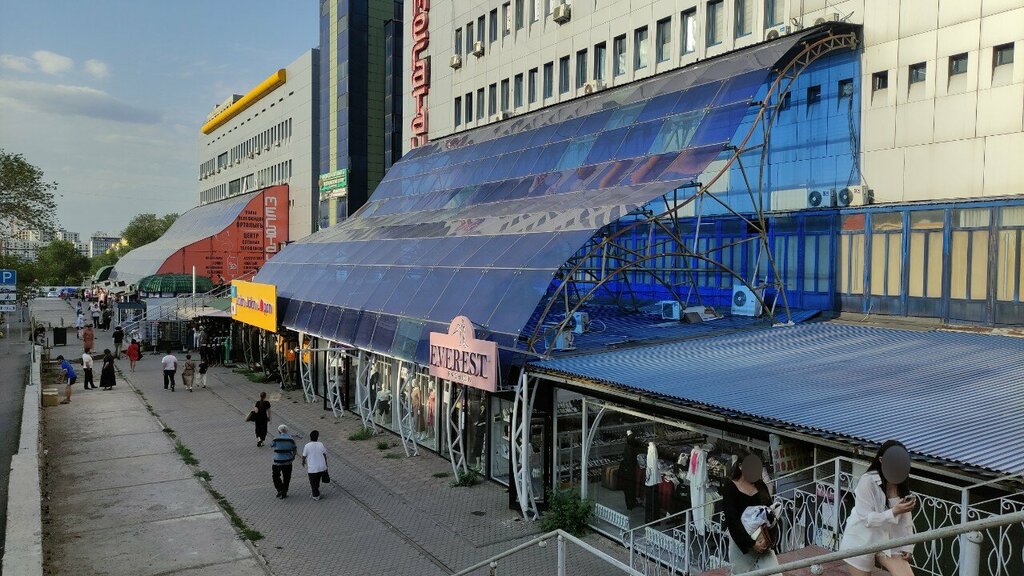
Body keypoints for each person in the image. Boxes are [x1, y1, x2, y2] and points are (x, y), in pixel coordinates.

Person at [840, 440, 917, 576]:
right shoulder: (867, 481)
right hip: (861, 538)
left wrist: (907, 545)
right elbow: (866, 519)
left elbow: (906, 517)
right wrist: (894, 512)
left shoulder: (902, 481)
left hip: (888, 539)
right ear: (881, 460)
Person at [723, 453, 779, 574]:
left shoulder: (761, 485)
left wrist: (768, 540)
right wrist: (751, 544)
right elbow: (732, 521)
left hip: (763, 539)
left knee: (775, 573)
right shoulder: (730, 487)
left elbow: (769, 511)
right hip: (742, 544)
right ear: (740, 466)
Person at [271, 424, 297, 499]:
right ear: (287, 431)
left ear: (279, 431)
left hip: (277, 461)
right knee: (287, 477)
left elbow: (272, 445)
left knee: (275, 476)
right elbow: (294, 449)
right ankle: (284, 490)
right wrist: (293, 457)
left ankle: (280, 489)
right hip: (288, 461)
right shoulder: (291, 439)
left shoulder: (276, 438)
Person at [301, 430, 329, 500]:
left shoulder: (307, 445)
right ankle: (317, 492)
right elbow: (324, 454)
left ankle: (316, 496)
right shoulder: (320, 444)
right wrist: (326, 463)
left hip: (312, 468)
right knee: (317, 480)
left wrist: (303, 462)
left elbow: (304, 456)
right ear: (317, 437)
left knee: (313, 482)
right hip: (321, 467)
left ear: (310, 437)